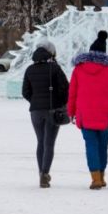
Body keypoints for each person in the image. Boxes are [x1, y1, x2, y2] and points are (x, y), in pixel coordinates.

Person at [67, 30, 108, 190]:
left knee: (91, 146)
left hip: (85, 115)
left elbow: (72, 93)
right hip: (106, 116)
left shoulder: (79, 69)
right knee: (103, 146)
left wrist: (71, 111)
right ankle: (101, 176)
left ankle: (95, 179)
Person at [22, 39, 69, 188]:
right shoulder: (54, 68)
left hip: (35, 112)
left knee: (40, 141)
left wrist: (35, 102)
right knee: (49, 143)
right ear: (51, 52)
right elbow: (65, 89)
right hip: (52, 110)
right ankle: (44, 173)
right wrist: (61, 103)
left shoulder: (29, 69)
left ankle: (41, 173)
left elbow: (25, 92)